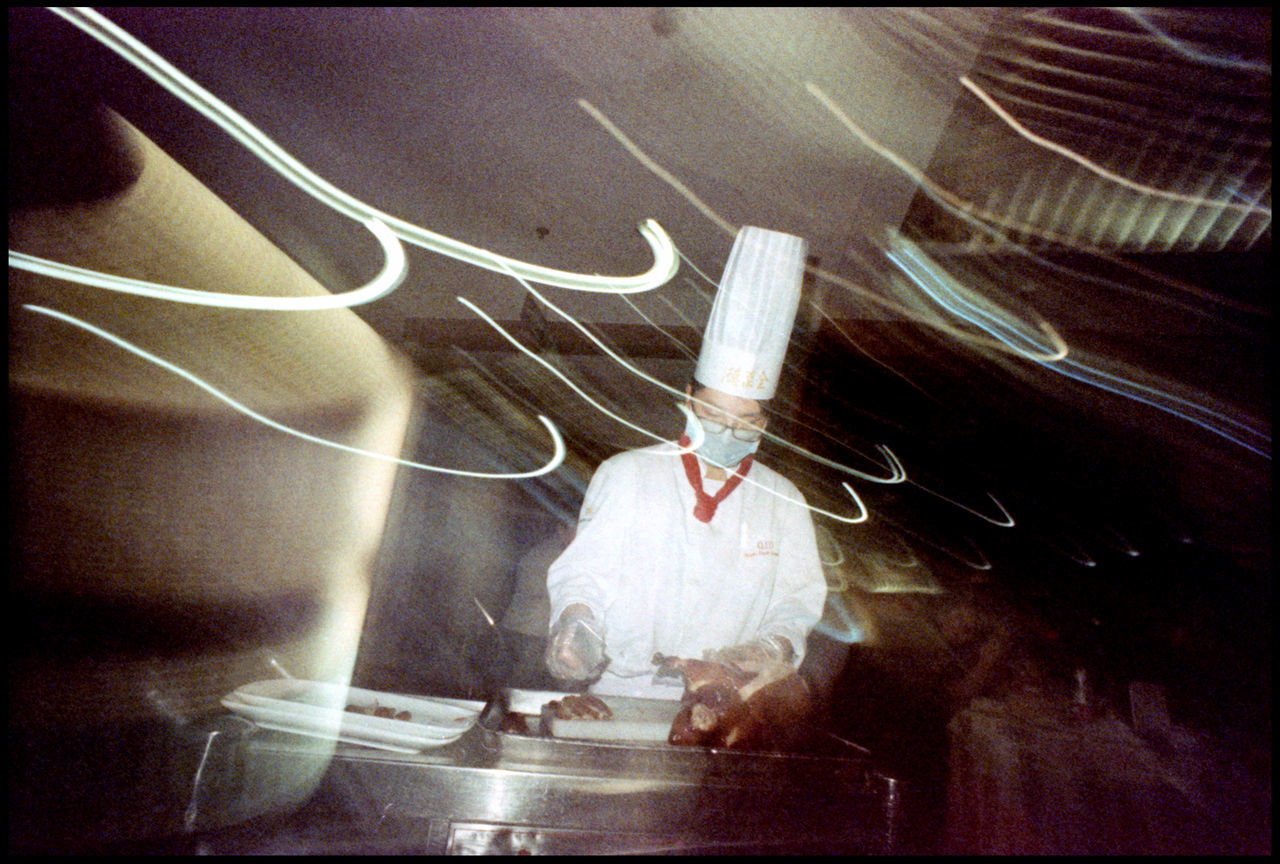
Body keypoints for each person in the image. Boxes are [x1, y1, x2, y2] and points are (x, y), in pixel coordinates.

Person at [543, 226, 828, 700]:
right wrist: (577, 625)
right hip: (618, 692)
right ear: (689, 398)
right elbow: (585, 575)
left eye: (746, 422)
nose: (727, 432)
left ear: (766, 421)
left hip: (722, 700)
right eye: (714, 414)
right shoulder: (627, 473)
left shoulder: (785, 501)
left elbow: (796, 602)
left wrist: (773, 645)